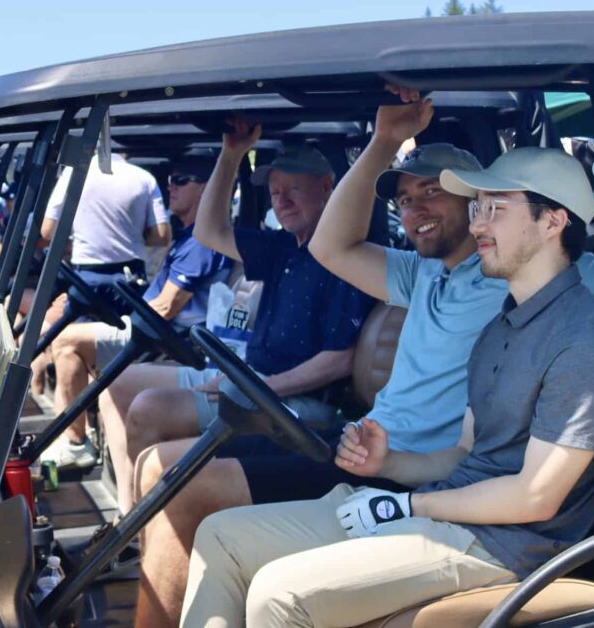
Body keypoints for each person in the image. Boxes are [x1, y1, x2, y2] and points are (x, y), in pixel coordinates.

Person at [126, 93, 594, 627]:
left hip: (503, 542)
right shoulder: (500, 323)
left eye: (494, 210)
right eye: (479, 208)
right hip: (437, 498)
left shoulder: (583, 337)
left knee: (278, 591)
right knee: (221, 537)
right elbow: (462, 455)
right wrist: (389, 469)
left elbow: (536, 495)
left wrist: (409, 506)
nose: (481, 224)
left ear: (553, 222)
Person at [101, 128, 376, 536]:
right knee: (119, 383)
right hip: (250, 378)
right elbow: (208, 232)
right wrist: (231, 154)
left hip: (294, 399)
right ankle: (134, 521)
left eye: (293, 190)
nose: (281, 201)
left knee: (149, 410)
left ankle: (147, 531)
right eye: (275, 191)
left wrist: (261, 387)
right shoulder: (283, 247)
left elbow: (341, 359)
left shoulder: (344, 259)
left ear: (326, 188)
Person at [42, 158, 231, 468]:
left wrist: (122, 320)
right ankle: (79, 435)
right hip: (152, 325)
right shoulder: (187, 236)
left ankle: (76, 443)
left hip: (173, 339)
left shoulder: (203, 241)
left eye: (182, 179)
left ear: (207, 189)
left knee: (67, 340)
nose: (171, 186)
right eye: (170, 179)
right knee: (63, 332)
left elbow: (167, 308)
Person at [27, 152, 171, 446]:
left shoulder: (73, 174)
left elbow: (47, 230)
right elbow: (160, 235)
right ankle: (103, 428)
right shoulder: (143, 178)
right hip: (130, 281)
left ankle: (75, 438)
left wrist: (82, 233)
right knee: (109, 354)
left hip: (88, 279)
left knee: (70, 347)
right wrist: (128, 231)